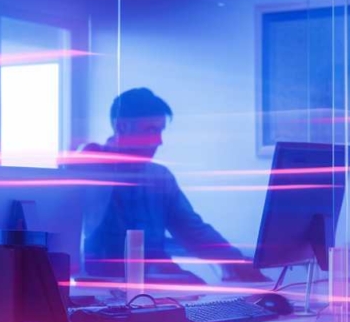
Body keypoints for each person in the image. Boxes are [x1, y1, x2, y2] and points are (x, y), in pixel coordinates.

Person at [79, 88, 268, 284]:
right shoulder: (88, 168)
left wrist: (235, 261)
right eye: (150, 130)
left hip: (154, 275)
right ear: (122, 127)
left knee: (197, 287)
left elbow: (191, 230)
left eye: (160, 131)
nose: (159, 141)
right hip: (103, 282)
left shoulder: (160, 177)